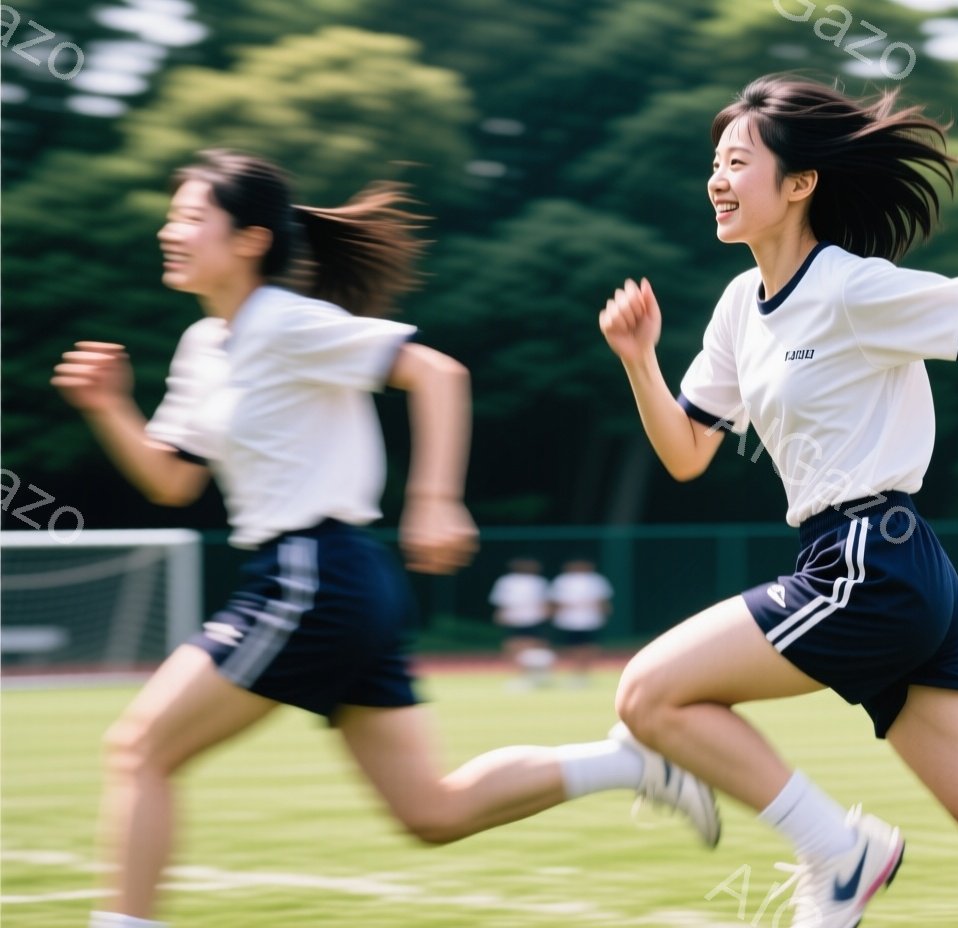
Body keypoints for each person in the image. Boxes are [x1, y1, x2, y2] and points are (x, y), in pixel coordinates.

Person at [53, 149, 718, 928]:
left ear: (249, 240)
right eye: (175, 215)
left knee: (140, 749)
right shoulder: (208, 347)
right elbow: (172, 481)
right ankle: (630, 763)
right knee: (430, 812)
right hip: (331, 582)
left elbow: (437, 373)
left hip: (312, 574)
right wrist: (109, 408)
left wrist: (434, 500)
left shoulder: (284, 321)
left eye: (194, 217)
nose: (173, 230)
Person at [598, 76, 958, 928]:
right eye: (713, 165)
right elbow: (687, 452)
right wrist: (639, 361)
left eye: (737, 163)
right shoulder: (737, 308)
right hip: (881, 567)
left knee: (649, 695)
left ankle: (840, 850)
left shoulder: (849, 286)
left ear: (800, 184)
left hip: (871, 561)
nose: (717, 180)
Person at [490, 557, 556, 690]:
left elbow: (547, 602)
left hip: (534, 619)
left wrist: (547, 615)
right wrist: (499, 615)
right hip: (513, 619)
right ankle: (518, 676)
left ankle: (535, 676)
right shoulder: (506, 581)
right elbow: (501, 601)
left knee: (535, 648)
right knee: (513, 647)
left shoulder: (539, 582)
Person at [547, 558, 613, 687]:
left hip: (590, 620)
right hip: (568, 620)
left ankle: (585, 672)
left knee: (589, 646)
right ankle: (574, 672)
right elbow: (555, 602)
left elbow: (603, 601)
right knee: (571, 647)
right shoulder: (562, 580)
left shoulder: (596, 580)